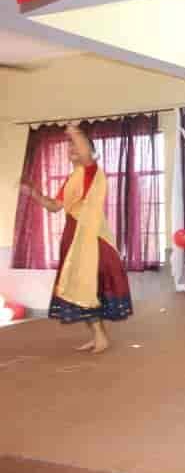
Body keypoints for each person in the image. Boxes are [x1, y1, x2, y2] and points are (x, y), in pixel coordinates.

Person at [20, 124, 133, 353]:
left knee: (87, 286)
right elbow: (54, 206)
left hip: (91, 239)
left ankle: (100, 337)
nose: (72, 148)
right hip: (74, 238)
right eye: (69, 145)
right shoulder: (73, 178)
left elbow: (85, 154)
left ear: (89, 152)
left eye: (77, 145)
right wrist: (33, 193)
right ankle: (98, 336)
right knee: (82, 287)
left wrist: (74, 132)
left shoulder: (91, 171)